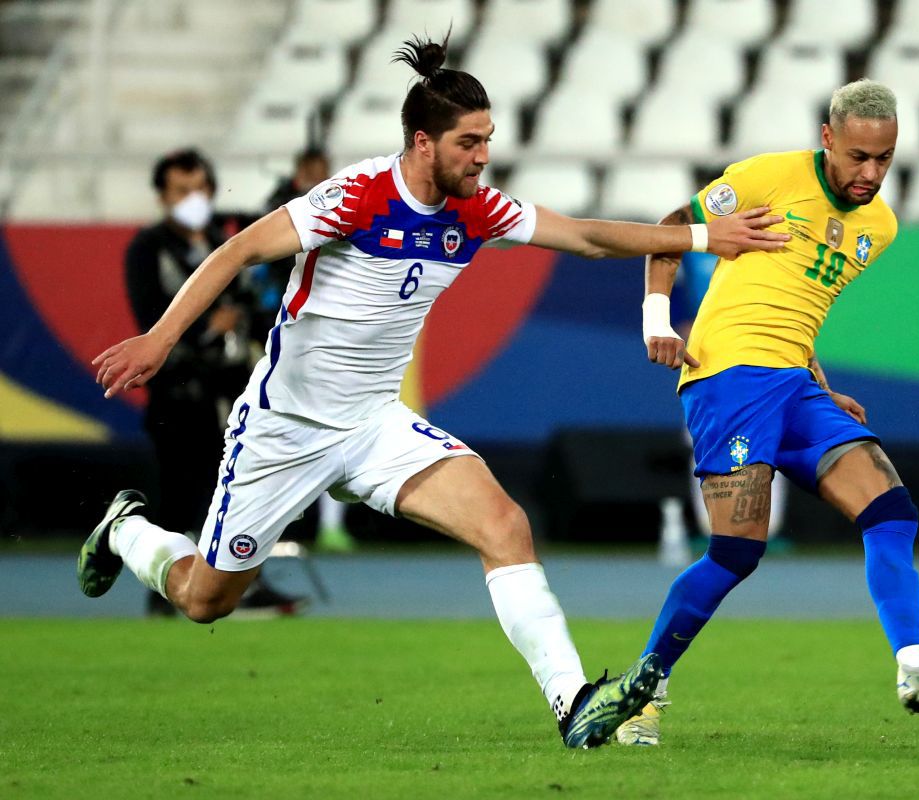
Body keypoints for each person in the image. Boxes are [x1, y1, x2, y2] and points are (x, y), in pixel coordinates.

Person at [79, 33, 787, 749]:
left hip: (375, 426)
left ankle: (575, 705)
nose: (483, 157)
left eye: (488, 141)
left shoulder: (476, 209)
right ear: (423, 142)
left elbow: (587, 237)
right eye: (469, 142)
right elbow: (237, 250)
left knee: (505, 526)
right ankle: (127, 532)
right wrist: (161, 339)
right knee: (205, 598)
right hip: (285, 428)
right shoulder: (357, 195)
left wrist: (703, 238)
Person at [616, 79, 919, 747]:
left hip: (793, 382)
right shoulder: (771, 176)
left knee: (891, 511)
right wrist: (657, 317)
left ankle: (915, 667)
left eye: (884, 158)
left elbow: (795, 300)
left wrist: (819, 381)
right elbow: (669, 229)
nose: (871, 173)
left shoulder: (878, 227)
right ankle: (640, 691)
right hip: (729, 376)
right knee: (737, 552)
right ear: (828, 139)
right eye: (858, 156)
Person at [125, 148, 305, 617]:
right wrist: (210, 328)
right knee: (178, 495)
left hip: (232, 391)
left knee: (237, 489)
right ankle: (163, 588)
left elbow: (259, 304)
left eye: (201, 187)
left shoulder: (225, 241)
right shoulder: (147, 250)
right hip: (178, 394)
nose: (195, 198)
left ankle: (246, 583)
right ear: (162, 196)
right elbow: (150, 321)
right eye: (182, 190)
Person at [255, 148, 359, 554]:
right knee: (288, 431)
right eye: (311, 172)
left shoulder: (338, 208)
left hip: (330, 340)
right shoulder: (285, 212)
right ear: (299, 173)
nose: (319, 178)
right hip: (283, 339)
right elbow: (259, 263)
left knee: (334, 429)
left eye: (323, 172)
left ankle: (329, 527)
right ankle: (267, 523)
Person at [676, 251, 789, 544]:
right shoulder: (689, 247)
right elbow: (677, 309)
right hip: (708, 362)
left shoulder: (762, 243)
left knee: (769, 440)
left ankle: (766, 527)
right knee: (706, 441)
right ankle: (714, 526)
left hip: (761, 357)